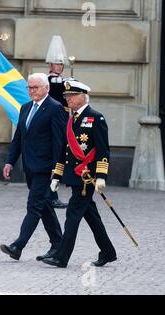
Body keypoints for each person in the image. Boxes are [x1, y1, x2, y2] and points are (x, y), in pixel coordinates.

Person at [43, 80, 117, 268]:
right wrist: (57, 176)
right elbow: (63, 150)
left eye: (71, 96)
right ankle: (108, 252)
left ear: (83, 97)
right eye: (66, 96)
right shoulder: (72, 119)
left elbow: (103, 151)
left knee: (72, 214)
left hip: (87, 178)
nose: (67, 99)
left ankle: (61, 256)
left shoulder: (95, 118)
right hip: (73, 176)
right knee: (91, 215)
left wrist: (101, 176)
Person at [1, 73, 64, 262]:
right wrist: (10, 161)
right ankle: (58, 243)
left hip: (46, 168)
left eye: (36, 87)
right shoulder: (25, 107)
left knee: (34, 206)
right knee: (43, 206)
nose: (32, 91)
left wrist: (57, 168)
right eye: (29, 87)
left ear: (46, 88)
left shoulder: (55, 108)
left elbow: (59, 141)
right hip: (29, 166)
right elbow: (19, 137)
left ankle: (18, 246)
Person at [45, 35, 69, 209]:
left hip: (59, 126)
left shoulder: (59, 81)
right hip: (54, 127)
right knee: (55, 161)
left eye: (61, 64)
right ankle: (51, 196)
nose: (60, 66)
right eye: (57, 63)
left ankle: (50, 194)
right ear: (51, 64)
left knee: (56, 161)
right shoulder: (52, 82)